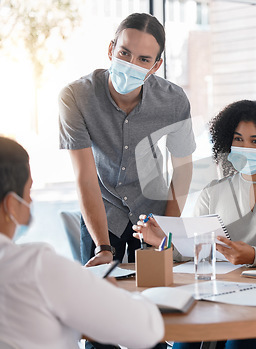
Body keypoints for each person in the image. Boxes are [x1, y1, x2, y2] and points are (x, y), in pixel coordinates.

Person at [0, 136, 165, 349]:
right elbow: (146, 330)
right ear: (12, 205)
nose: (30, 201)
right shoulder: (37, 267)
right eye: (28, 191)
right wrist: (110, 296)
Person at [59, 13, 196, 268]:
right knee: (98, 298)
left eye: (143, 59)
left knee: (156, 295)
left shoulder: (174, 101)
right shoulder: (76, 97)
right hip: (102, 214)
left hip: (152, 217)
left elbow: (182, 170)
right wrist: (102, 247)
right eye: (124, 53)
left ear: (156, 65)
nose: (131, 63)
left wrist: (166, 233)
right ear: (111, 49)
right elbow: (85, 178)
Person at [134, 99, 256, 267]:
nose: (245, 148)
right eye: (238, 139)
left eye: (255, 141)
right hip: (224, 284)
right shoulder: (213, 191)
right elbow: (197, 248)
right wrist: (163, 241)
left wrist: (254, 255)